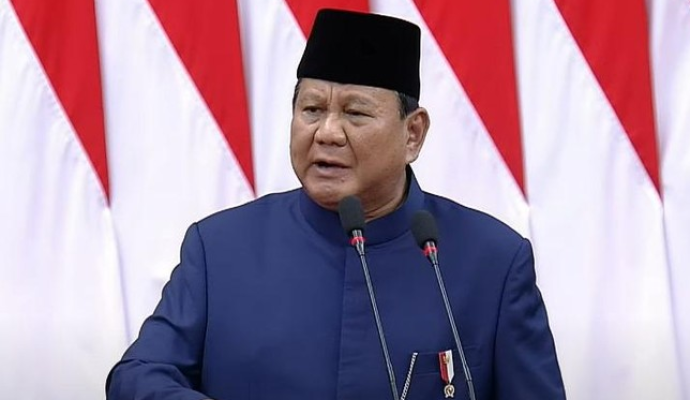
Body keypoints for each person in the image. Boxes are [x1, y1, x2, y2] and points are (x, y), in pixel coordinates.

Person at [106, 9, 565, 400]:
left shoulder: (492, 262)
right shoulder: (220, 247)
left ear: (412, 134)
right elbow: (137, 376)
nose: (326, 132)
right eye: (311, 110)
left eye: (355, 113)